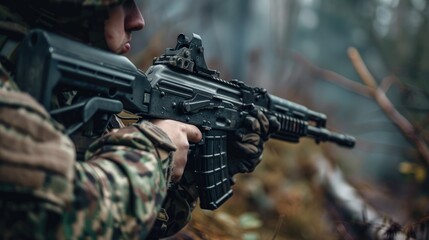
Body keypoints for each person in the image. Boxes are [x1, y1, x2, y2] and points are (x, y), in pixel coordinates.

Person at [0, 0, 278, 239]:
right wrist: (155, 152)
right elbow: (60, 219)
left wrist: (192, 170)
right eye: (121, 3)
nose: (138, 20)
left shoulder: (67, 95)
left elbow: (129, 222)